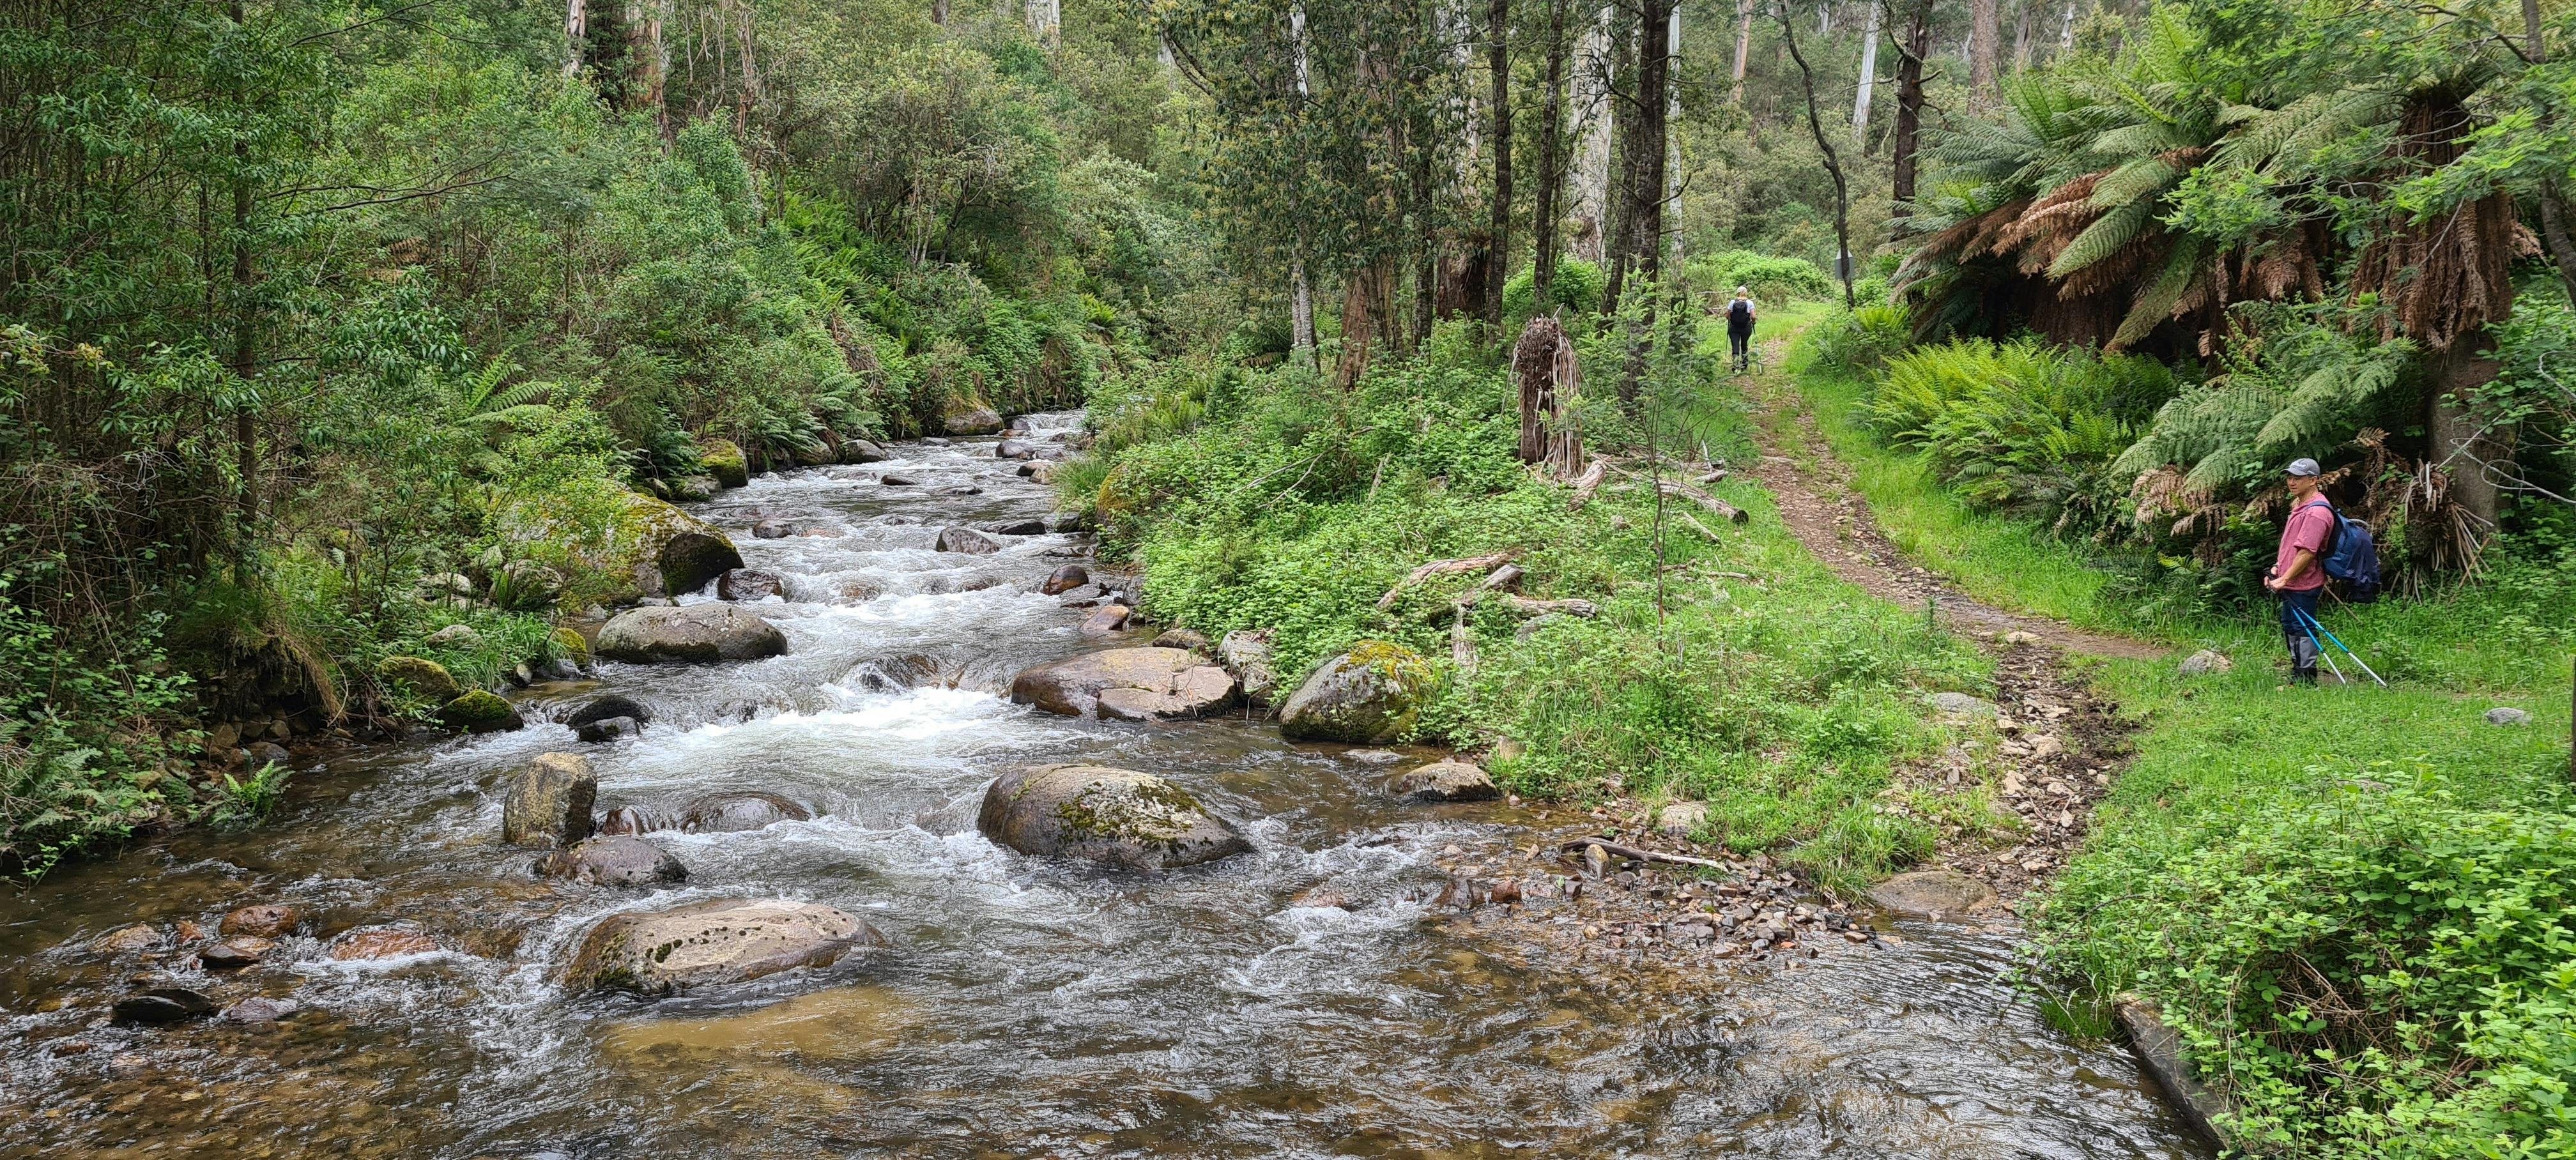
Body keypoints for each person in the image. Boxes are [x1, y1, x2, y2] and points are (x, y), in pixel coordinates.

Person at [2264, 457, 2334, 684]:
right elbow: (2291, 546)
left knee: (2303, 629)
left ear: (2313, 480)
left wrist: (2284, 579)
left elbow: (2307, 553)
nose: (2292, 482)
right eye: (2290, 477)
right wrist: (2278, 567)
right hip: (2291, 580)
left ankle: (2306, 677)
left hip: (2304, 583)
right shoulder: (2300, 507)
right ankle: (2297, 672)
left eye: (2298, 478)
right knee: (2291, 626)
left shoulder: (2317, 513)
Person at [1725, 286, 1757, 372]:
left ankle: (1735, 366)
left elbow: (1728, 316)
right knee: (1744, 345)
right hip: (1746, 328)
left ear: (1738, 293)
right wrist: (1753, 322)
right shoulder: (1750, 303)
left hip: (1734, 328)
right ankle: (1744, 364)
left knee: (1735, 345)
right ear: (1746, 293)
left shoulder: (1732, 302)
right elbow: (1753, 316)